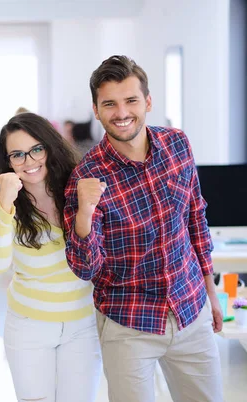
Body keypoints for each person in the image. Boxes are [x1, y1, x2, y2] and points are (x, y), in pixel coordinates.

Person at [63, 55, 224, 402]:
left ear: (148, 102)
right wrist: (85, 215)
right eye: (110, 103)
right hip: (128, 323)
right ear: (96, 109)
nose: (122, 112)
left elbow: (196, 216)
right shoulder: (85, 176)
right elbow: (85, 268)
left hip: (190, 308)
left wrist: (211, 291)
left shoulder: (177, 144)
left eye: (131, 100)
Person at [0, 112, 101, 402]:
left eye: (36, 149)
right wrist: (5, 203)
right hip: (28, 328)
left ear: (50, 147)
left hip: (82, 326)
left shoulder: (76, 190)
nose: (29, 161)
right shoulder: (6, 208)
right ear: (8, 162)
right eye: (18, 155)